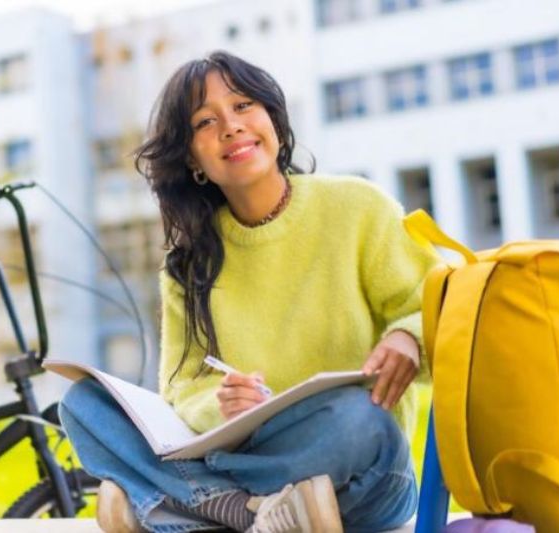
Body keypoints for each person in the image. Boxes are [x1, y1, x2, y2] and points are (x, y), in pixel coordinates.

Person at [59, 51, 439, 533]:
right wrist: (222, 404)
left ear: (273, 121)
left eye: (242, 106)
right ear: (192, 159)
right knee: (84, 404)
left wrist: (408, 337)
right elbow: (180, 386)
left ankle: (184, 504)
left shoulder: (359, 208)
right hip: (242, 450)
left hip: (359, 474)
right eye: (205, 121)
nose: (230, 127)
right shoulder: (189, 262)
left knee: (361, 418)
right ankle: (245, 511)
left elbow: (440, 307)